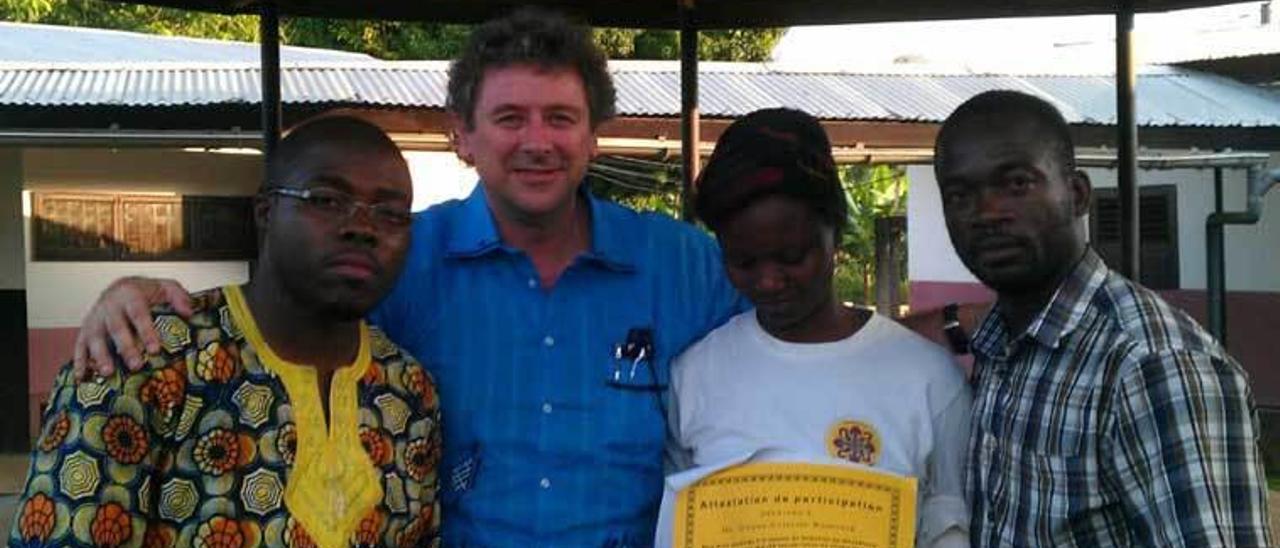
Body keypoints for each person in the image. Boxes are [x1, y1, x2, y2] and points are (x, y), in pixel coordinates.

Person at [69, 9, 744, 546]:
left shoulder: (687, 266)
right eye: (509, 118)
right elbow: (275, 318)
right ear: (463, 136)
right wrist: (130, 292)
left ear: (594, 135)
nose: (537, 141)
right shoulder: (399, 256)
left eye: (561, 118)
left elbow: (789, 337)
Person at [9, 116, 442, 547]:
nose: (362, 227)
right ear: (265, 211)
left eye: (389, 213)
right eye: (326, 199)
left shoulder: (409, 391)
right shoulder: (144, 358)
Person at [934, 90, 1271, 546]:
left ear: (1076, 194)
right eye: (959, 195)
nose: (986, 213)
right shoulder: (1001, 347)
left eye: (1016, 184)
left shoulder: (1153, 366)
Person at [663, 108, 970, 547]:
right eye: (744, 262)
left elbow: (951, 526)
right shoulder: (695, 375)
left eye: (791, 257)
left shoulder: (928, 379)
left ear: (836, 235)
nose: (768, 281)